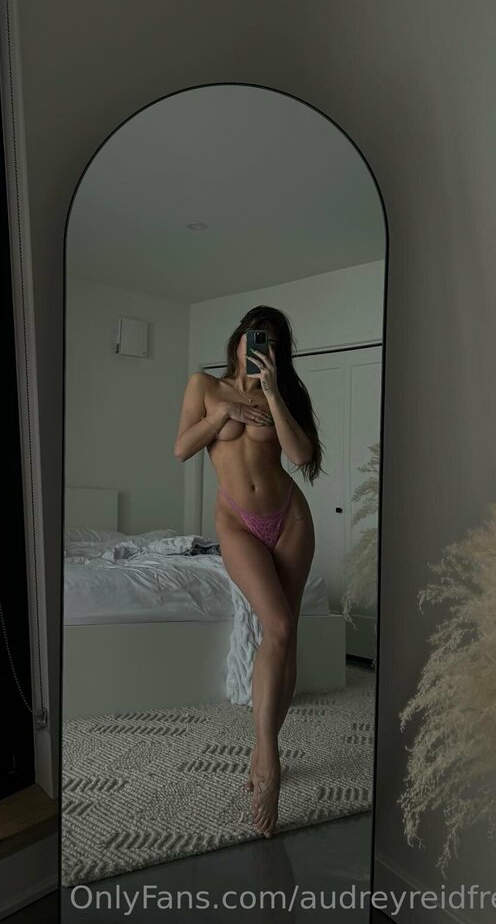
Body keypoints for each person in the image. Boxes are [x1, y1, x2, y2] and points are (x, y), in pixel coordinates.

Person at [173, 306, 322, 838]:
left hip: (290, 519)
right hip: (236, 522)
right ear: (238, 340)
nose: (261, 347)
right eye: (255, 337)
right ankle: (269, 759)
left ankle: (265, 748)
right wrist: (223, 415)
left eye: (272, 342)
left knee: (286, 632)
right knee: (275, 624)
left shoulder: (283, 392)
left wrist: (273, 394)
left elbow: (302, 455)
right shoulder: (205, 387)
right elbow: (181, 448)